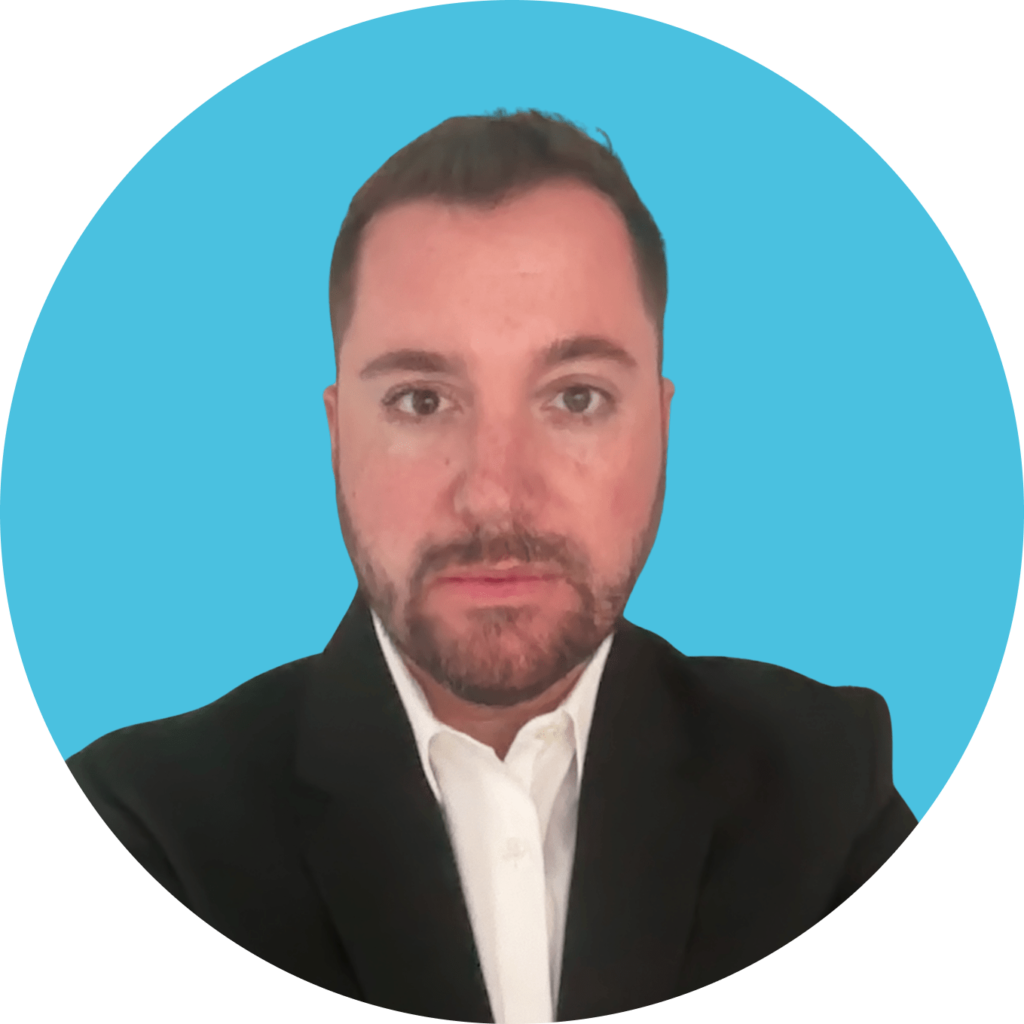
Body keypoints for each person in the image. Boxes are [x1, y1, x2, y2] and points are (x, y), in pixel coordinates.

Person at [65, 109, 918, 1023]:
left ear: (662, 428)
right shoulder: (150, 830)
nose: (495, 496)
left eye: (576, 398)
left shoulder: (823, 789)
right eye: (421, 400)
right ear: (338, 436)